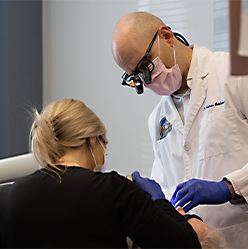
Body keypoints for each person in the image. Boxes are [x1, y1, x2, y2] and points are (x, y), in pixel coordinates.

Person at [111, 11, 248, 248]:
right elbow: (167, 190)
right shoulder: (158, 120)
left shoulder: (234, 73)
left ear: (166, 36)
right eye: (135, 77)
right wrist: (154, 199)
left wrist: (229, 187)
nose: (145, 80)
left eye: (145, 66)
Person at [0, 98, 201, 248]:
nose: (103, 157)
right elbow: (185, 245)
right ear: (92, 140)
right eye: (104, 146)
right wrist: (158, 201)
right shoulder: (113, 189)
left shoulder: (8, 197)